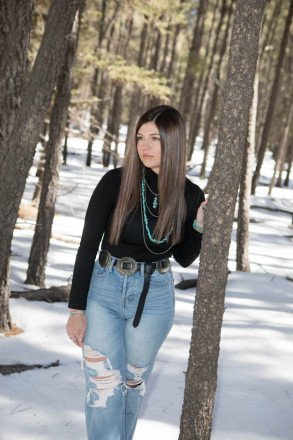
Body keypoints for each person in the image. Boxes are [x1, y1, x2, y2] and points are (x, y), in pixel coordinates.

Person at [66, 105, 207, 440]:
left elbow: (183, 257)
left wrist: (199, 226)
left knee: (132, 386)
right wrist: (76, 309)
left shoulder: (189, 194)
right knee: (103, 387)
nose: (145, 146)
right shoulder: (115, 182)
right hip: (104, 291)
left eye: (155, 138)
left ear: (173, 142)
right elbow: (87, 246)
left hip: (155, 296)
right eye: (140, 137)